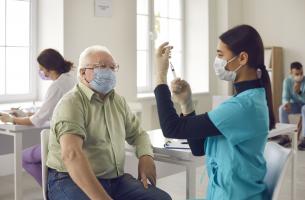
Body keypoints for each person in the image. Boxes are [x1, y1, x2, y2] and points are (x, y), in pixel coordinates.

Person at [154, 25, 275, 199]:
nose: (216, 61)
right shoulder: (248, 99)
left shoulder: (242, 107)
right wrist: (186, 103)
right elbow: (198, 148)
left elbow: (172, 128)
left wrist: (160, 76)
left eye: (220, 55)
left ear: (242, 58)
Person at [46, 45, 171, 200]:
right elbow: (72, 155)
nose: (109, 72)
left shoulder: (118, 102)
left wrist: (145, 156)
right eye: (101, 66)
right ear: (83, 72)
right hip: (70, 179)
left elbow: (138, 134)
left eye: (113, 67)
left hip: (115, 180)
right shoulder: (71, 103)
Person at [0, 48, 77, 185]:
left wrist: (11, 119)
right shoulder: (70, 80)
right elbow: (55, 112)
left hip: (64, 142)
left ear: (49, 68)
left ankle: (51, 189)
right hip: (77, 138)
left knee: (23, 157)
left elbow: (36, 121)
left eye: (41, 68)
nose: (40, 71)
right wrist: (29, 115)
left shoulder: (56, 86)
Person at [278, 61, 305, 150]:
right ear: (291, 73)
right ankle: (285, 136)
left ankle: (304, 139)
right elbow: (285, 97)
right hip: (296, 105)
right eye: (297, 74)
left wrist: (299, 93)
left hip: (304, 105)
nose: (299, 76)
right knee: (282, 109)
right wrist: (286, 103)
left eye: (301, 73)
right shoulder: (287, 81)